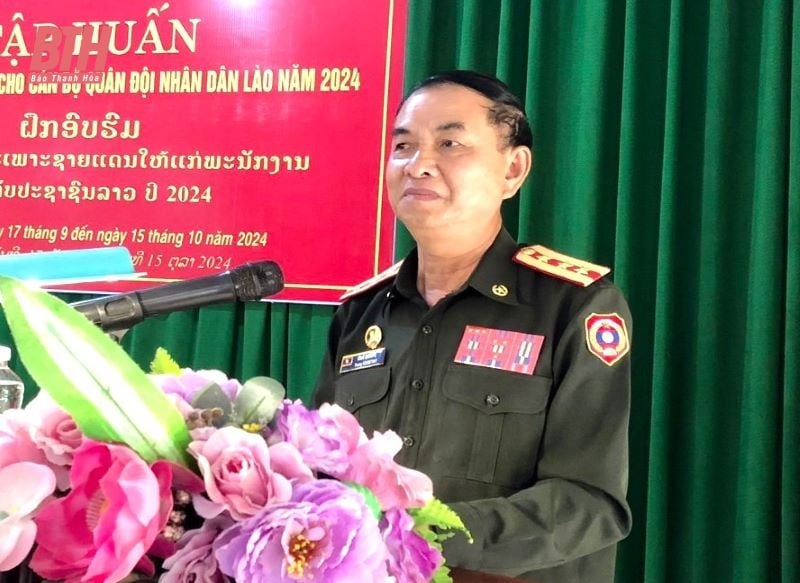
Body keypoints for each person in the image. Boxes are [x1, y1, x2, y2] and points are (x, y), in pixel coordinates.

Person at [314, 70, 632, 583]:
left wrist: (422, 535)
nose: (419, 165)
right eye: (403, 146)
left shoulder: (575, 306)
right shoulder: (360, 313)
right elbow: (324, 466)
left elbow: (587, 503)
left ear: (513, 170)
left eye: (450, 143)